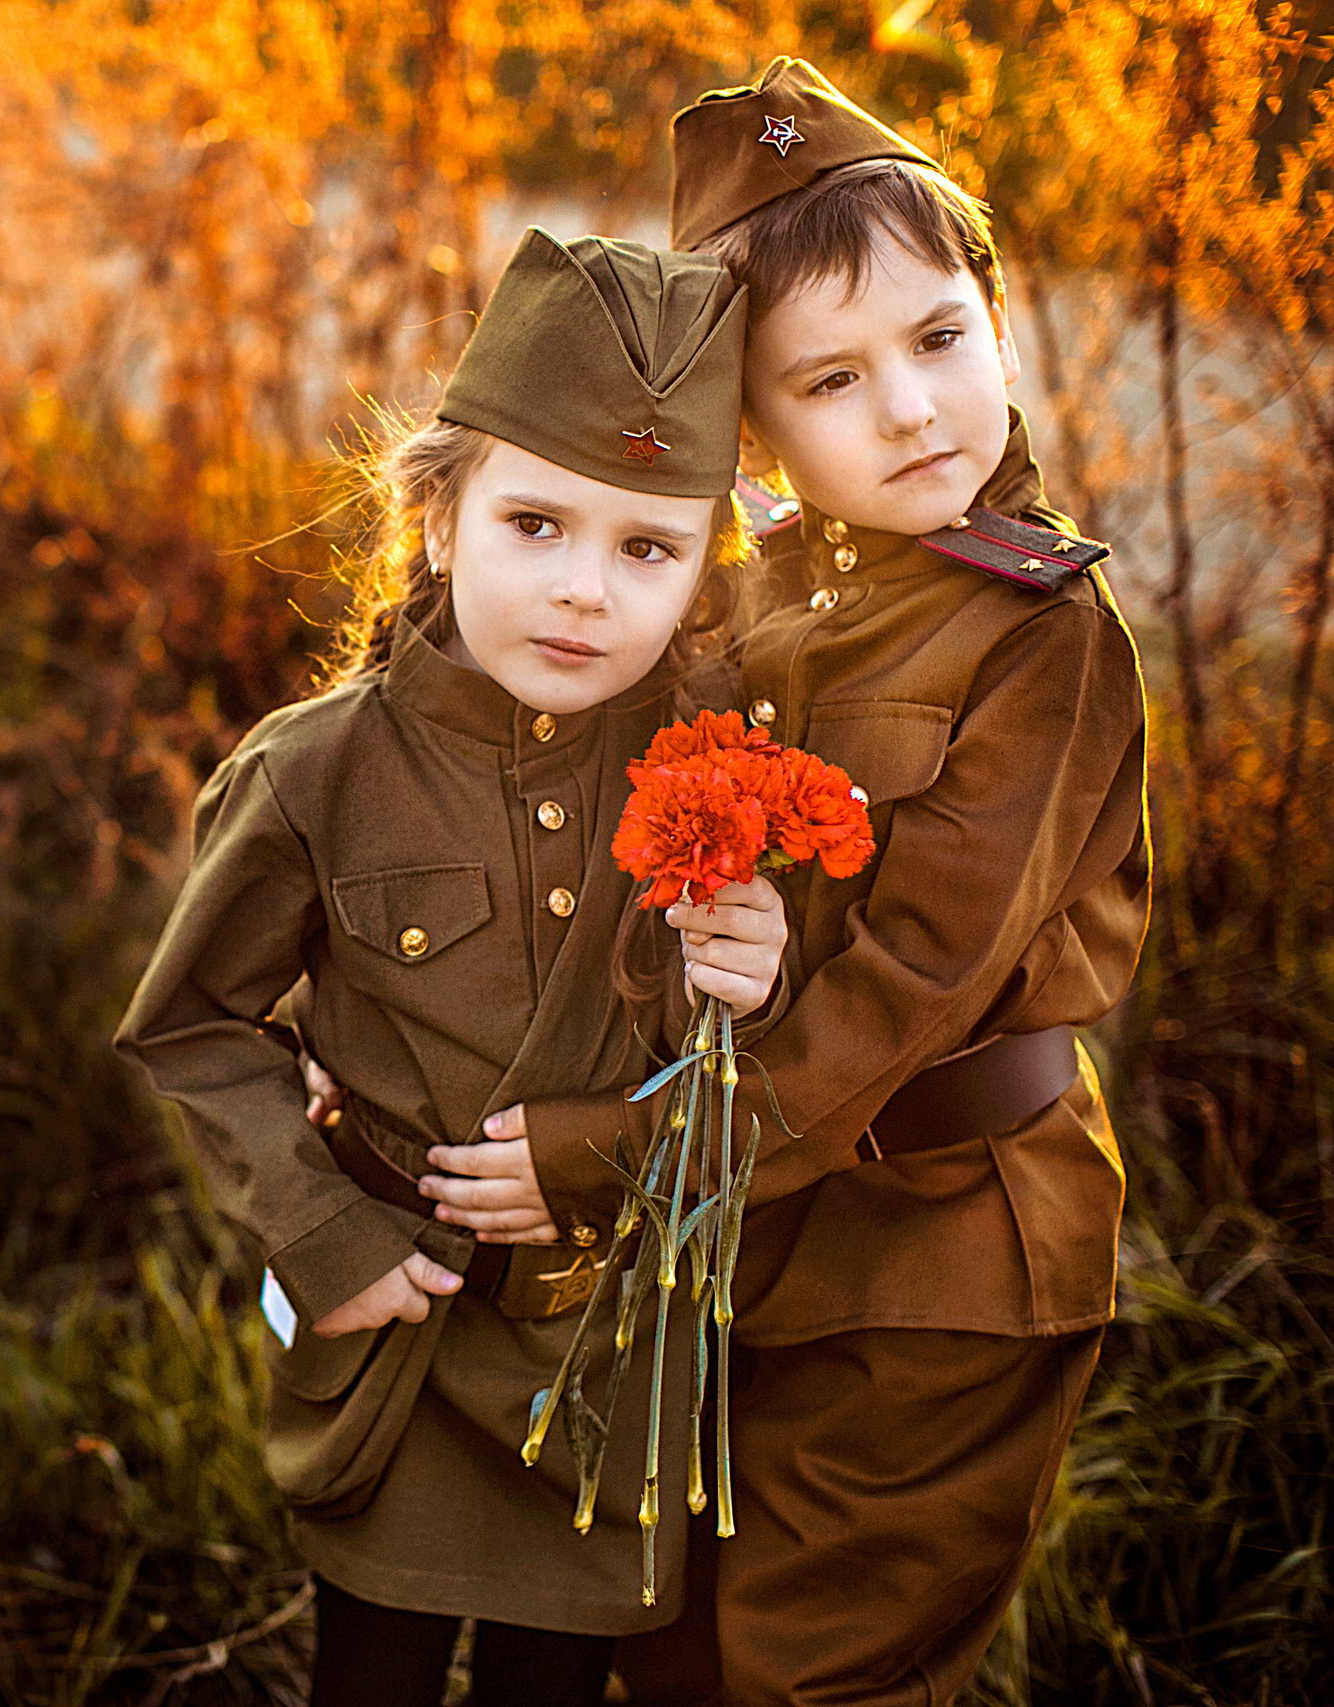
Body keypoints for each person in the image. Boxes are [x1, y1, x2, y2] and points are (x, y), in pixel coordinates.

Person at [466, 59, 1148, 1706]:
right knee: (672, 1654)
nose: (913, 408)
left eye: (938, 338)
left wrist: (604, 1160)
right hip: (755, 1249)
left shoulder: (1042, 637)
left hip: (942, 1266)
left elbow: (912, 993)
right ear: (752, 428)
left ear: (997, 312)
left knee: (809, 1679)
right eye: (831, 380)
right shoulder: (754, 606)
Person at [114, 228, 789, 1707]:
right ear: (435, 516)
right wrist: (323, 1239)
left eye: (648, 549)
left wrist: (764, 959)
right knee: (376, 1673)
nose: (585, 594)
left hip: (613, 1354)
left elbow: (767, 1071)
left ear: (702, 575)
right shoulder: (318, 771)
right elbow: (193, 1028)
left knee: (556, 1684)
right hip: (406, 1342)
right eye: (535, 526)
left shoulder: (723, 773)